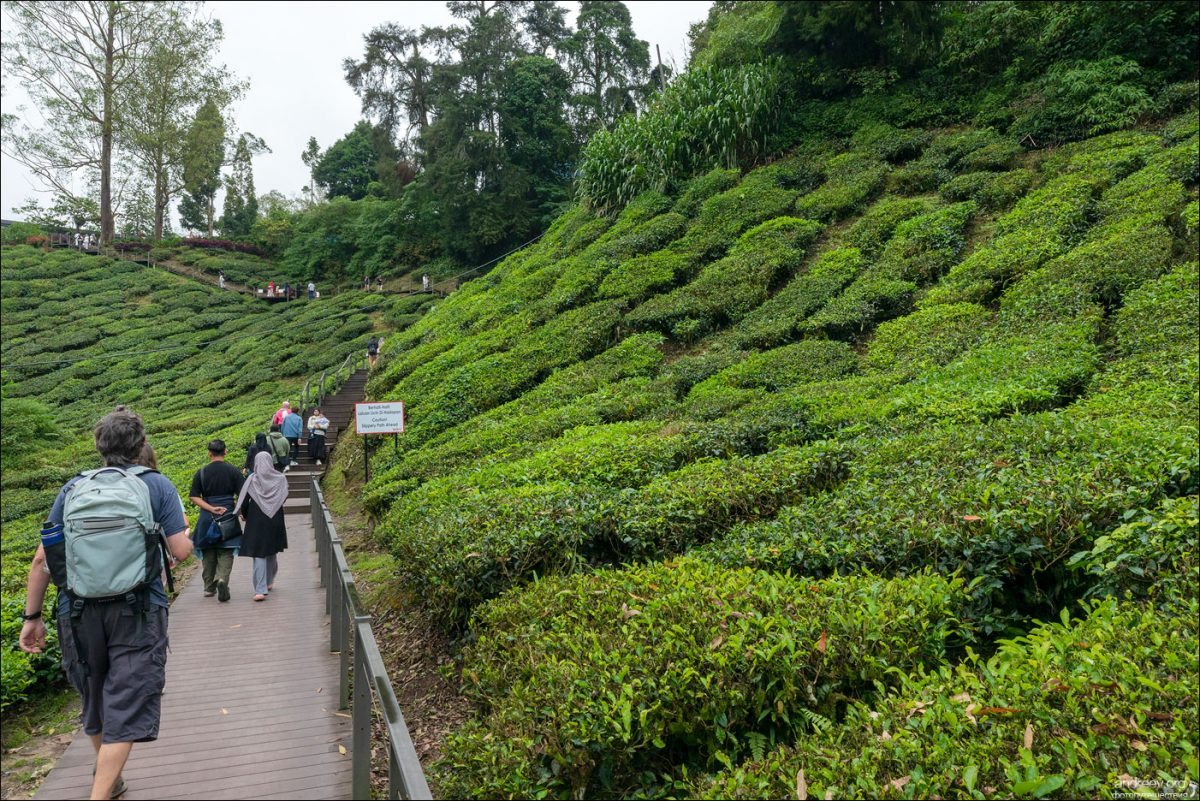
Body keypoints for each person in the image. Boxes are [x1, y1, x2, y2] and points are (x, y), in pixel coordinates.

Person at [18, 408, 192, 801]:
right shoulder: (156, 485)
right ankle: (100, 793)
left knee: (94, 696)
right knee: (127, 699)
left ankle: (110, 781)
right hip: (138, 609)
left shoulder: (73, 488)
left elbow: (42, 558)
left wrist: (32, 617)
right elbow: (180, 550)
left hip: (77, 610)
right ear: (141, 444)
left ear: (99, 446)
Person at [188, 440, 245, 603]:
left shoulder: (201, 472)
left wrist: (211, 508)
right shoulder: (233, 471)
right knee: (226, 550)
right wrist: (240, 511)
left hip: (207, 516)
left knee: (208, 550)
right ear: (225, 451)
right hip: (227, 514)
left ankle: (209, 588)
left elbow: (193, 496)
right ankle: (222, 580)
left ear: (209, 453)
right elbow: (243, 494)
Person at [236, 452, 289, 602]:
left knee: (259, 552)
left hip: (256, 519)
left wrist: (245, 515)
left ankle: (260, 589)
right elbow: (284, 496)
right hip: (275, 517)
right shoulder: (280, 478)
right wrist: (273, 503)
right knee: (272, 549)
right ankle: (269, 581)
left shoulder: (252, 479)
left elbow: (244, 501)